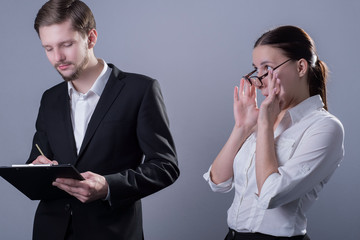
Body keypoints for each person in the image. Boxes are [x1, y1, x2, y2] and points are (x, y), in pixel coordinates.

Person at [26, 0, 179, 239]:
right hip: (50, 231)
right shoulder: (49, 99)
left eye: (67, 44)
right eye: (48, 48)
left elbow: (165, 166)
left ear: (91, 38)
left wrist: (108, 187)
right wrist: (36, 168)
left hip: (112, 232)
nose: (58, 57)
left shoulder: (140, 90)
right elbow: (38, 156)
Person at [203, 25, 344, 240]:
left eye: (267, 68)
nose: (258, 82)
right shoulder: (263, 117)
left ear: (300, 68)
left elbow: (270, 196)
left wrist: (266, 127)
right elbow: (218, 181)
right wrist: (242, 127)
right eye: (256, 70)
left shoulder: (324, 127)